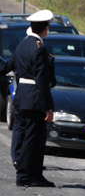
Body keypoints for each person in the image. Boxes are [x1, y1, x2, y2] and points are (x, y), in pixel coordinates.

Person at [12, 10, 56, 187]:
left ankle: (36, 174)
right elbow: (41, 80)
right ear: (46, 29)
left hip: (23, 97)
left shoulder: (23, 44)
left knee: (30, 138)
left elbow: (11, 64)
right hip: (34, 99)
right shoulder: (39, 48)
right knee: (33, 139)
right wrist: (47, 107)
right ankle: (25, 175)